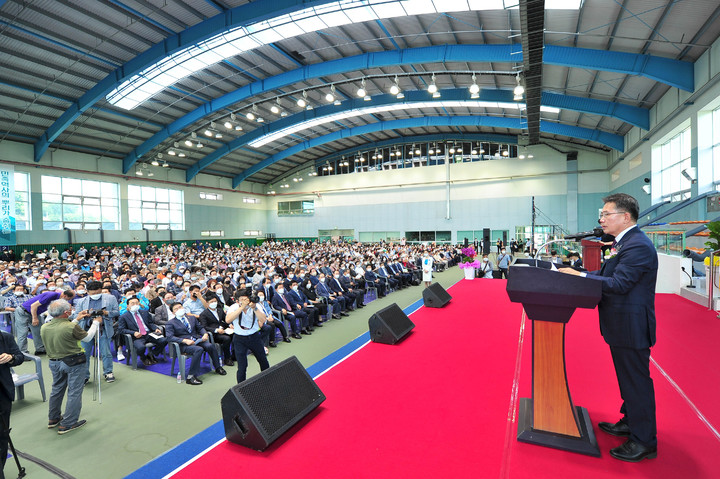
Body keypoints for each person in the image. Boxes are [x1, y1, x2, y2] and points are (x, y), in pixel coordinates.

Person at [560, 193, 658, 462]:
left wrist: (580, 277)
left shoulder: (637, 245)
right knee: (627, 379)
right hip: (620, 323)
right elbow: (606, 277)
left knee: (636, 382)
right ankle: (631, 421)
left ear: (625, 217)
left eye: (606, 214)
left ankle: (644, 440)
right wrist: (577, 273)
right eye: (601, 215)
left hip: (631, 324)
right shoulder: (622, 243)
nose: (601, 219)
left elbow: (620, 284)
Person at [40, 299, 102, 434]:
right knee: (74, 392)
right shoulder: (70, 326)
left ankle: (53, 418)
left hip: (54, 362)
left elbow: (62, 329)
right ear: (66, 312)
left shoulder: (45, 326)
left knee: (57, 389)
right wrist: (96, 323)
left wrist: (77, 319)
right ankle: (68, 423)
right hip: (73, 363)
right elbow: (87, 337)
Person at [165, 302, 226, 385]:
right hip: (183, 345)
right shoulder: (170, 323)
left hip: (196, 340)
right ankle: (191, 377)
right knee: (199, 350)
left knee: (210, 346)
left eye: (180, 307)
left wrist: (204, 333)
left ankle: (218, 367)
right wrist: (184, 340)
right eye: (176, 309)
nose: (179, 309)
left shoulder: (191, 318)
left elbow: (200, 328)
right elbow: (169, 337)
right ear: (173, 312)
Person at [73, 281, 119, 383]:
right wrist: (84, 315)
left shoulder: (110, 298)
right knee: (85, 354)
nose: (95, 295)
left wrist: (106, 313)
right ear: (87, 292)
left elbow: (116, 312)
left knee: (106, 352)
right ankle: (84, 375)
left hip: (104, 329)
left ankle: (108, 372)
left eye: (97, 293)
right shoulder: (81, 301)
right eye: (92, 293)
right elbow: (76, 316)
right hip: (86, 330)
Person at [15, 289, 75, 355]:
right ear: (65, 296)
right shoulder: (51, 295)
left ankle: (40, 349)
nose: (68, 300)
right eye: (69, 298)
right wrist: (34, 318)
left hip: (35, 312)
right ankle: (22, 353)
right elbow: (33, 306)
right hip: (23, 311)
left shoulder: (57, 299)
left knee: (38, 331)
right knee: (23, 332)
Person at [226, 292, 269, 384]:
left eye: (247, 299)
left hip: (254, 337)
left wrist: (254, 308)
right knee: (242, 366)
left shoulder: (255, 306)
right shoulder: (233, 307)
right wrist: (241, 308)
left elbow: (263, 320)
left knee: (263, 360)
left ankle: (268, 380)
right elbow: (228, 320)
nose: (245, 301)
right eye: (242, 300)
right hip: (239, 339)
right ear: (237, 301)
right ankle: (241, 386)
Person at [117, 296, 167, 366]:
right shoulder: (124, 316)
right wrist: (133, 333)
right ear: (128, 305)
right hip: (137, 337)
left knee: (164, 340)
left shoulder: (145, 312)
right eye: (132, 303)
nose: (135, 305)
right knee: (141, 347)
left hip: (148, 334)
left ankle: (151, 354)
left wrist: (155, 328)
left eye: (137, 303)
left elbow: (150, 323)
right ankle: (143, 357)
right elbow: (121, 330)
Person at [0, 331, 24, 471]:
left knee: (2, 435)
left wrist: (11, 358)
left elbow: (19, 357)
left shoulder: (5, 338)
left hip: (3, 393)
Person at [198, 293, 234, 366]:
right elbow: (204, 327)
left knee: (235, 335)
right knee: (226, 339)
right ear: (207, 304)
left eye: (215, 301)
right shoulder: (203, 314)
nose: (214, 303)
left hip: (224, 330)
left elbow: (225, 320)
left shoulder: (220, 310)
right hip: (213, 334)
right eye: (211, 302)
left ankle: (234, 355)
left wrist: (230, 325)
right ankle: (227, 358)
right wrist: (216, 330)